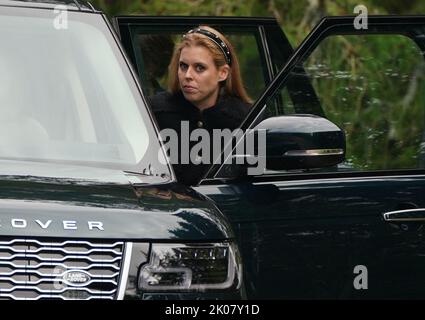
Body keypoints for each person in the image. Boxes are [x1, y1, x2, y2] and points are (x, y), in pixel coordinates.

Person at [149, 26, 252, 185]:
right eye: (183, 66)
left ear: (222, 73)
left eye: (199, 68)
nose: (188, 75)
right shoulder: (153, 112)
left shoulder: (246, 120)